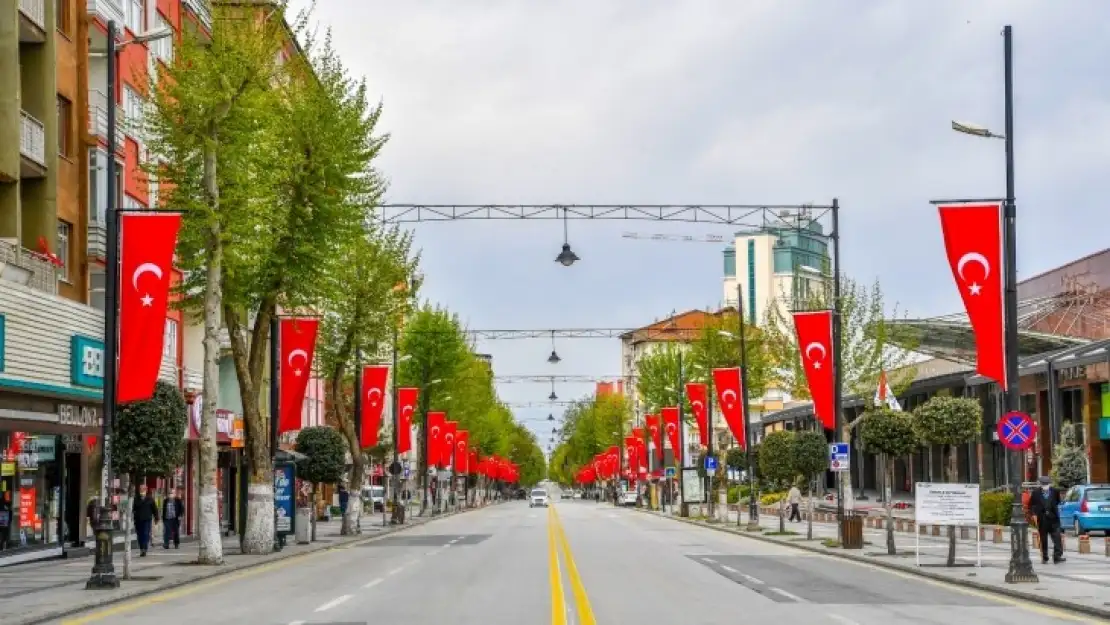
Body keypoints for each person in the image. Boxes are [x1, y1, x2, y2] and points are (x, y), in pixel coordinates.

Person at [1028, 475, 1065, 564]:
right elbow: (1031, 505)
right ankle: (1045, 557)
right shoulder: (1036, 493)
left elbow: (1058, 502)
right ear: (1040, 484)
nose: (1045, 485)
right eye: (1043, 484)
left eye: (1047, 483)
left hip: (1054, 519)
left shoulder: (1055, 491)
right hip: (1042, 519)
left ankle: (1057, 556)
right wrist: (1033, 514)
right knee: (1043, 539)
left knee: (1057, 538)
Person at [132, 483, 159, 557]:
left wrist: (156, 518)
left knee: (146, 533)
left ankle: (144, 548)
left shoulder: (150, 499)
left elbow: (155, 509)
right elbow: (133, 508)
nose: (142, 490)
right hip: (138, 519)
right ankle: (141, 548)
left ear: (146, 490)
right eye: (140, 489)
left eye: (143, 489)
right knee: (140, 535)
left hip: (147, 519)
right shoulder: (136, 498)